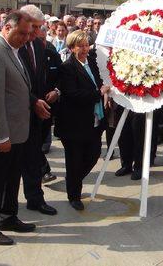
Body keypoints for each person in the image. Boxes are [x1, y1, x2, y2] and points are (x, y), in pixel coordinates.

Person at [0, 11, 39, 246]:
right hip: (0, 134)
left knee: (12, 178)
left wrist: (33, 101)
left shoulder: (12, 50)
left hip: (16, 131)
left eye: (28, 33)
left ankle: (8, 216)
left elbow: (17, 86)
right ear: (7, 27)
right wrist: (1, 135)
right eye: (22, 33)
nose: (26, 38)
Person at [56, 30, 110, 210]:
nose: (85, 49)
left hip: (94, 120)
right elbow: (73, 94)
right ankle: (74, 195)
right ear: (72, 48)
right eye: (81, 46)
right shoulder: (67, 67)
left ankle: (72, 179)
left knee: (93, 155)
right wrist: (98, 93)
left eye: (87, 45)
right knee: (75, 159)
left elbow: (99, 80)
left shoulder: (91, 63)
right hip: (74, 124)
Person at [16, 4, 58, 215]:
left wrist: (48, 96)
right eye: (35, 28)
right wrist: (33, 101)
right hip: (16, 112)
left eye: (41, 28)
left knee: (34, 158)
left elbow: (41, 78)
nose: (38, 33)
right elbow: (15, 84)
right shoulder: (13, 47)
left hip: (37, 112)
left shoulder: (40, 47)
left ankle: (35, 198)